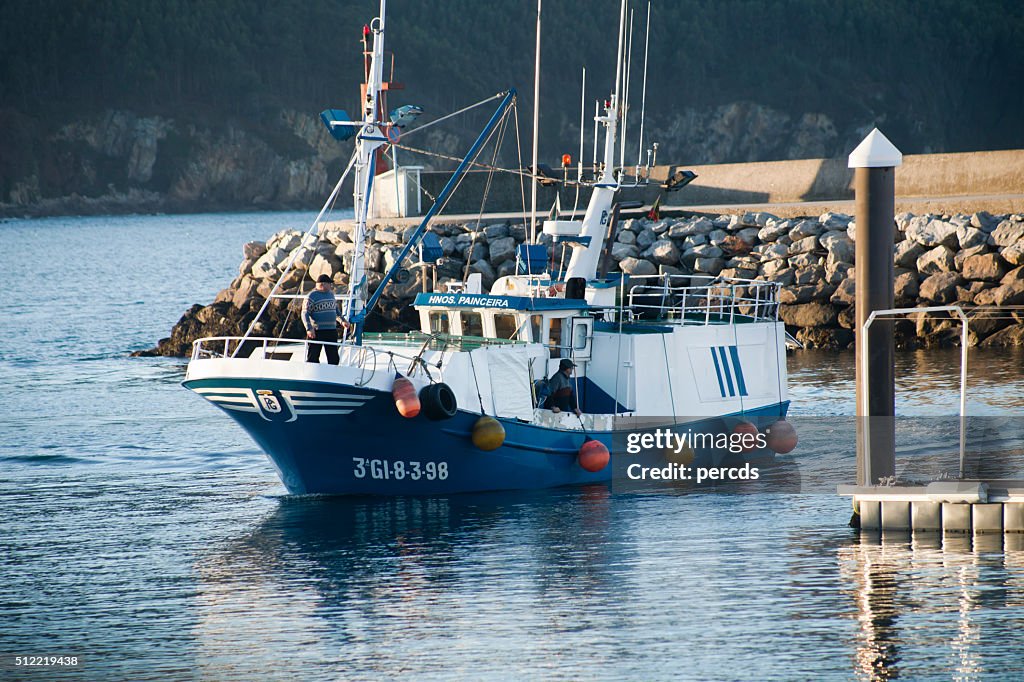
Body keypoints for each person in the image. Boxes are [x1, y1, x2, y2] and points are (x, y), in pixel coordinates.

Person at [301, 274, 345, 364]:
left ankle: (332, 375)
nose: (331, 286)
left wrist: (342, 321)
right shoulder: (311, 296)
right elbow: (304, 313)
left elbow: (335, 311)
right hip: (317, 331)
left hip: (331, 331)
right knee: (313, 357)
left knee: (334, 358)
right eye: (330, 284)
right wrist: (309, 329)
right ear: (323, 284)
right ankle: (313, 374)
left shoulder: (331, 295)